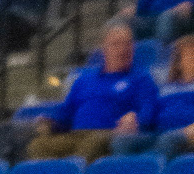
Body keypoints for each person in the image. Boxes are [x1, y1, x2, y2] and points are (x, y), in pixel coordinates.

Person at [22, 18, 161, 162]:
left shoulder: (141, 79)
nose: (123, 49)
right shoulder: (83, 80)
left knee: (93, 144)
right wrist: (51, 122)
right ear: (103, 48)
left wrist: (136, 119)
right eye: (116, 44)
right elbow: (67, 112)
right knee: (37, 146)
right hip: (76, 135)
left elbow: (149, 110)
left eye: (128, 44)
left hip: (108, 133)